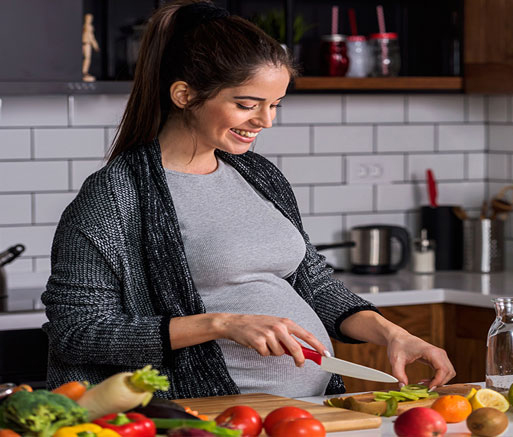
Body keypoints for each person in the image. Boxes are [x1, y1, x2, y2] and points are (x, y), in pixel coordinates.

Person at [42, 0, 455, 399]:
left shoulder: (258, 174)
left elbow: (311, 282)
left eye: (275, 105)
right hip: (206, 417)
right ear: (184, 95)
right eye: (246, 105)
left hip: (306, 410)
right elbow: (77, 332)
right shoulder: (116, 194)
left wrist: (393, 334)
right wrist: (221, 324)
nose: (265, 121)